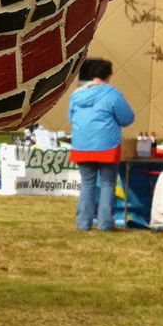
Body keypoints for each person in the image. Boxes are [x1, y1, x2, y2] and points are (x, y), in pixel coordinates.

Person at [68, 57, 134, 231]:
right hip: (107, 145)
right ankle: (105, 223)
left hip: (82, 144)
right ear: (108, 75)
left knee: (87, 183)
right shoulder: (112, 94)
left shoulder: (76, 95)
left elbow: (71, 117)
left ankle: (83, 223)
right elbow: (127, 118)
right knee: (107, 183)